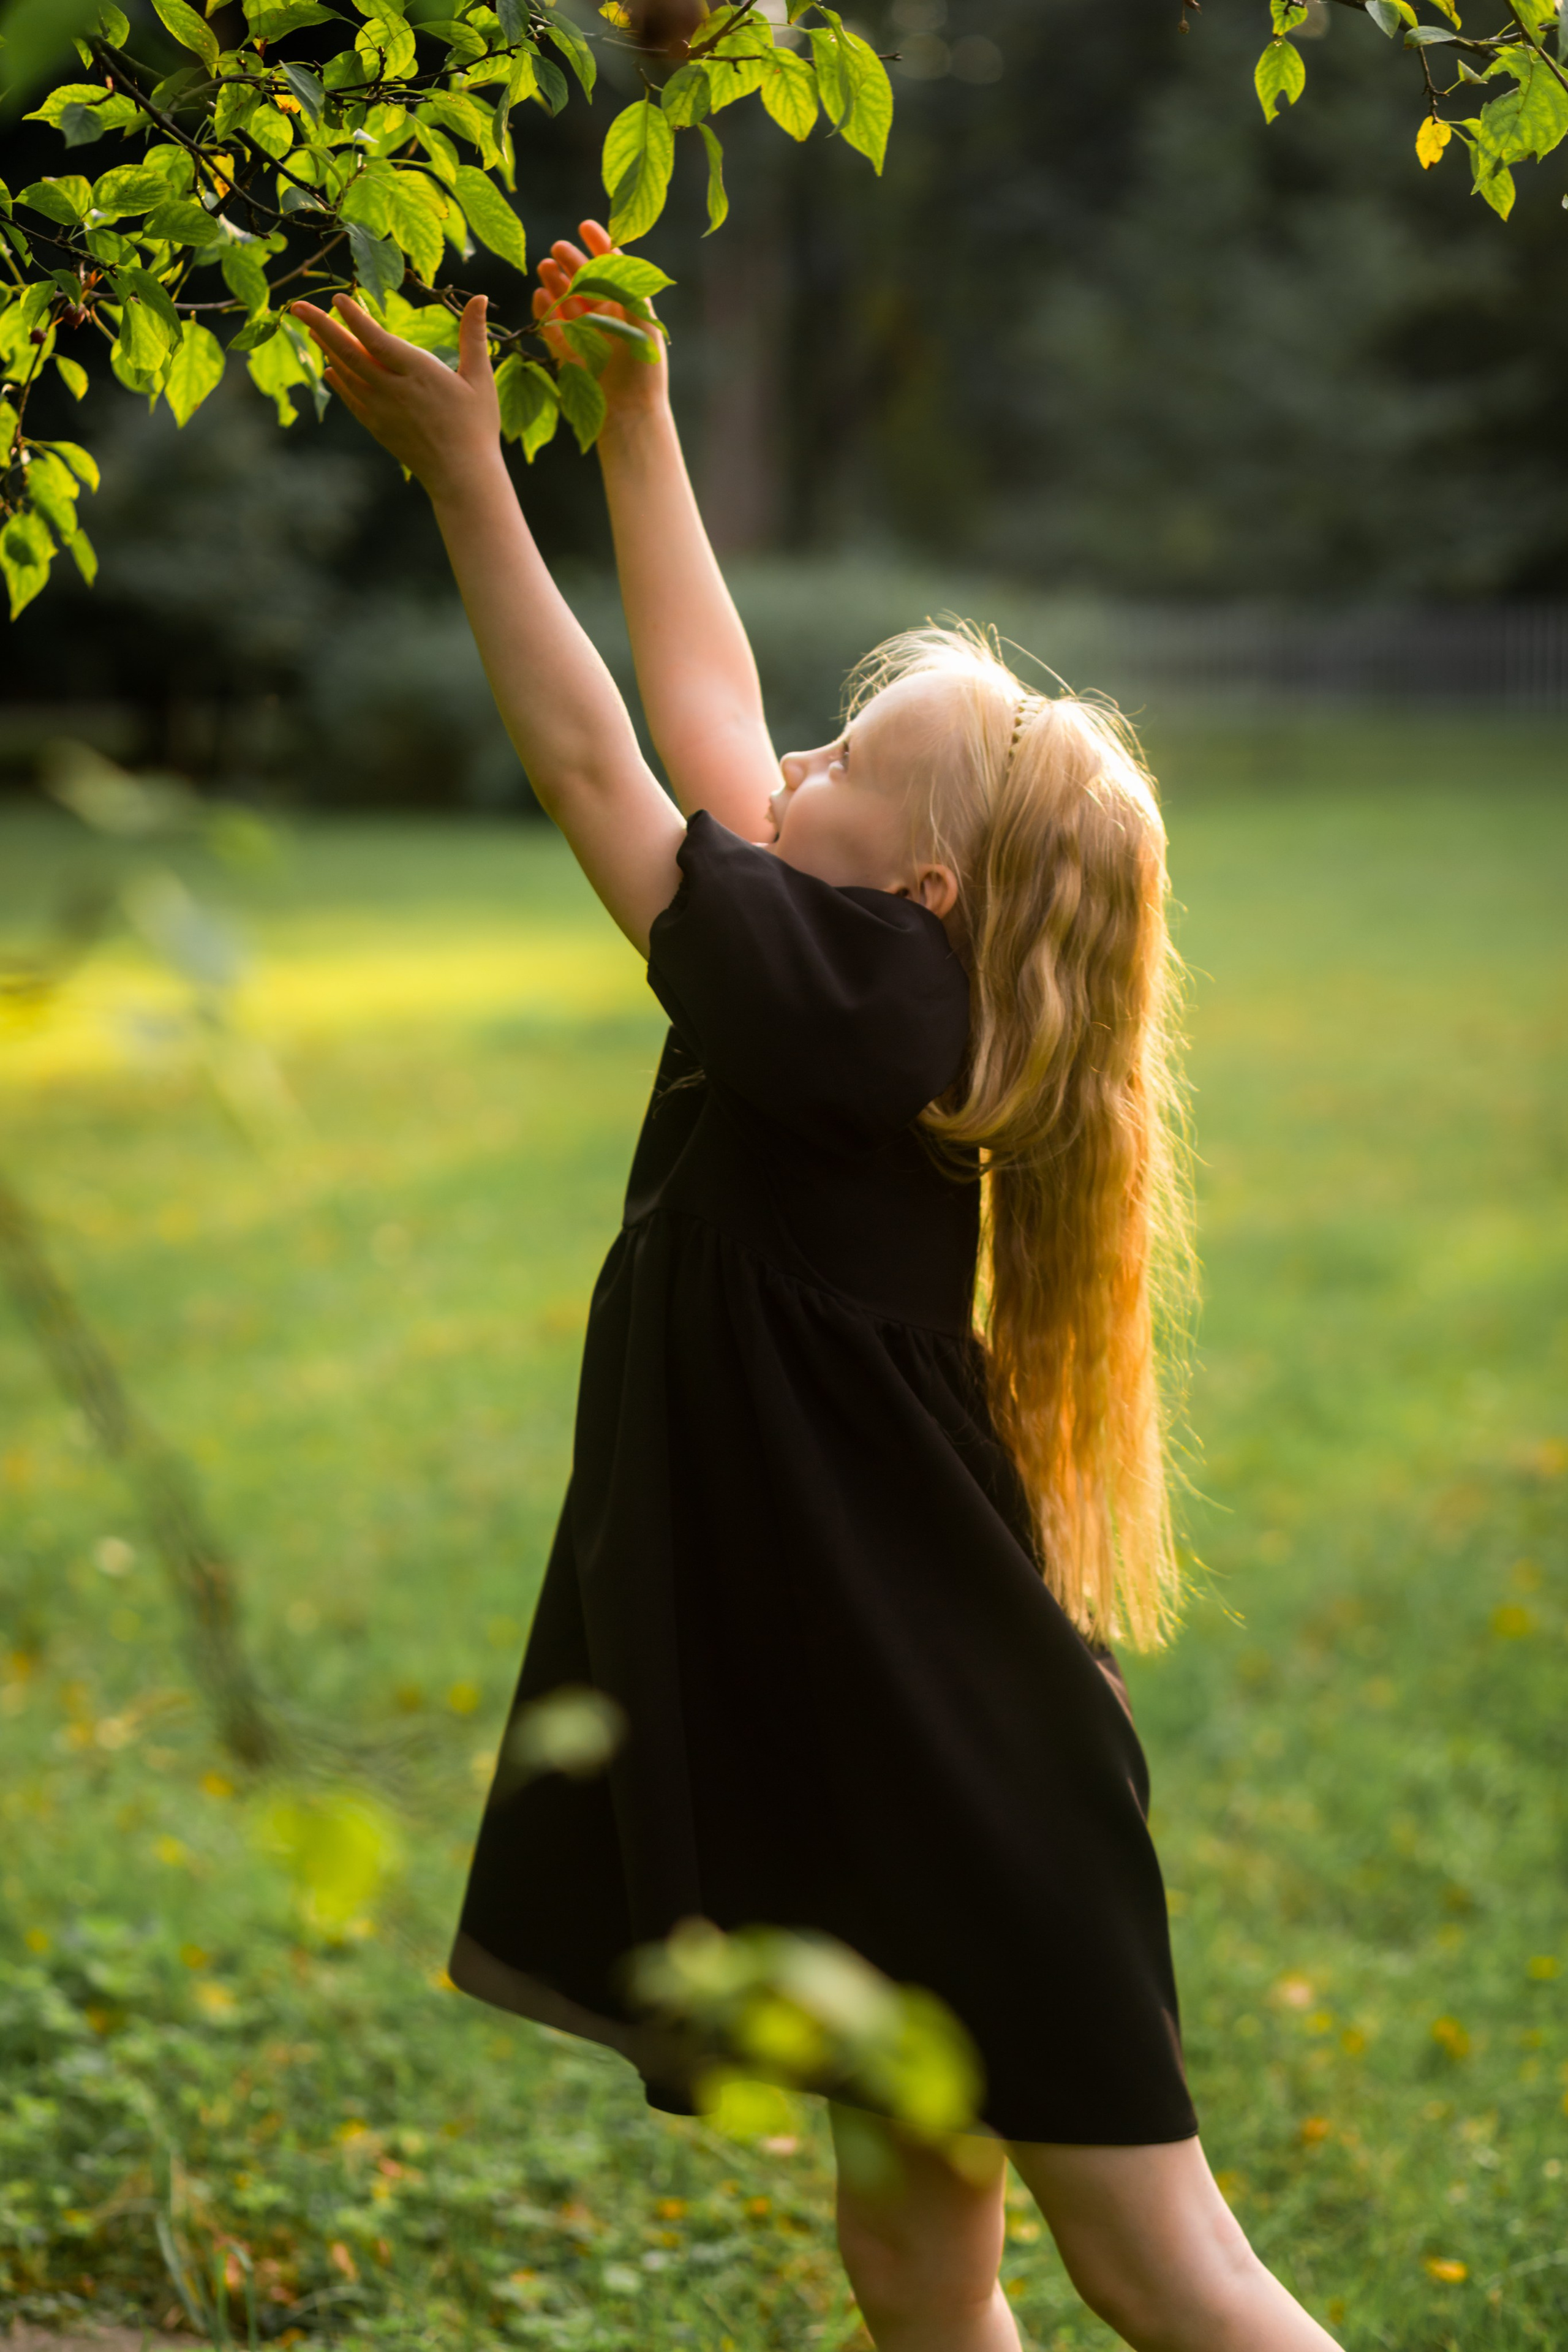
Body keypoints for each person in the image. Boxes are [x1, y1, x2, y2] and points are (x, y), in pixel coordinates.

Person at [291, 232, 1340, 2352]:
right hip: (904, 1735)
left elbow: (612, 771)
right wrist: (645, 419)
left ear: (923, 888)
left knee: (1164, 2273)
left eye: (851, 768)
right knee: (913, 2261)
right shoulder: (872, 981)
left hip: (966, 1762)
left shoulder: (849, 1005)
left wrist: (474, 482)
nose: (797, 773)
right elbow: (704, 731)